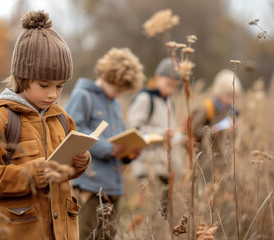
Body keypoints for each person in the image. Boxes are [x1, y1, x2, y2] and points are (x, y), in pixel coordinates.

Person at [0, 10, 90, 240]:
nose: (52, 94)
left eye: (60, 86)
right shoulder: (0, 118)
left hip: (63, 231)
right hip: (20, 231)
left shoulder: (62, 118)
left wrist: (81, 162)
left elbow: (69, 172)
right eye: (44, 85)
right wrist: (34, 173)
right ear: (22, 77)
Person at [65, 47, 145, 240]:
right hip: (90, 184)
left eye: (121, 92)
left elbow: (118, 135)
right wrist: (110, 149)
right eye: (116, 90)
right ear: (103, 75)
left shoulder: (115, 103)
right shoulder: (83, 96)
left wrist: (128, 152)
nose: (118, 95)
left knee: (108, 235)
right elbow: (74, 131)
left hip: (113, 185)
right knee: (86, 234)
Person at [127, 57, 184, 189]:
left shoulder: (169, 102)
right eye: (168, 84)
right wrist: (162, 133)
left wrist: (180, 137)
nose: (171, 90)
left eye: (175, 86)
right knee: (150, 207)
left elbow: (171, 131)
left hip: (166, 168)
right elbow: (134, 130)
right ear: (157, 77)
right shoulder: (145, 98)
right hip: (147, 168)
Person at [191, 68, 242, 182]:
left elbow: (234, 137)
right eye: (228, 96)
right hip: (206, 159)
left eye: (233, 96)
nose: (230, 100)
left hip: (223, 160)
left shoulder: (232, 111)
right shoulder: (207, 108)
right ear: (220, 93)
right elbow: (194, 128)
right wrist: (211, 131)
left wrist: (234, 131)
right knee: (206, 188)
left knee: (223, 187)